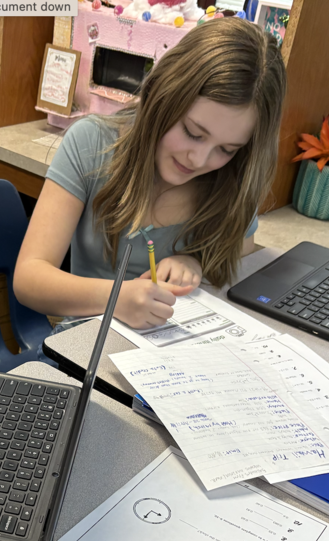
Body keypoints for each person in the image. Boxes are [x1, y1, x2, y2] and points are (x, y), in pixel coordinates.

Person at [14, 19, 287, 330]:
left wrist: (195, 262)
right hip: (88, 342)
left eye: (226, 149)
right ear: (161, 94)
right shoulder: (91, 143)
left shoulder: (234, 178)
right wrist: (117, 298)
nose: (198, 159)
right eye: (192, 132)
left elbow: (240, 261)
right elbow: (29, 279)